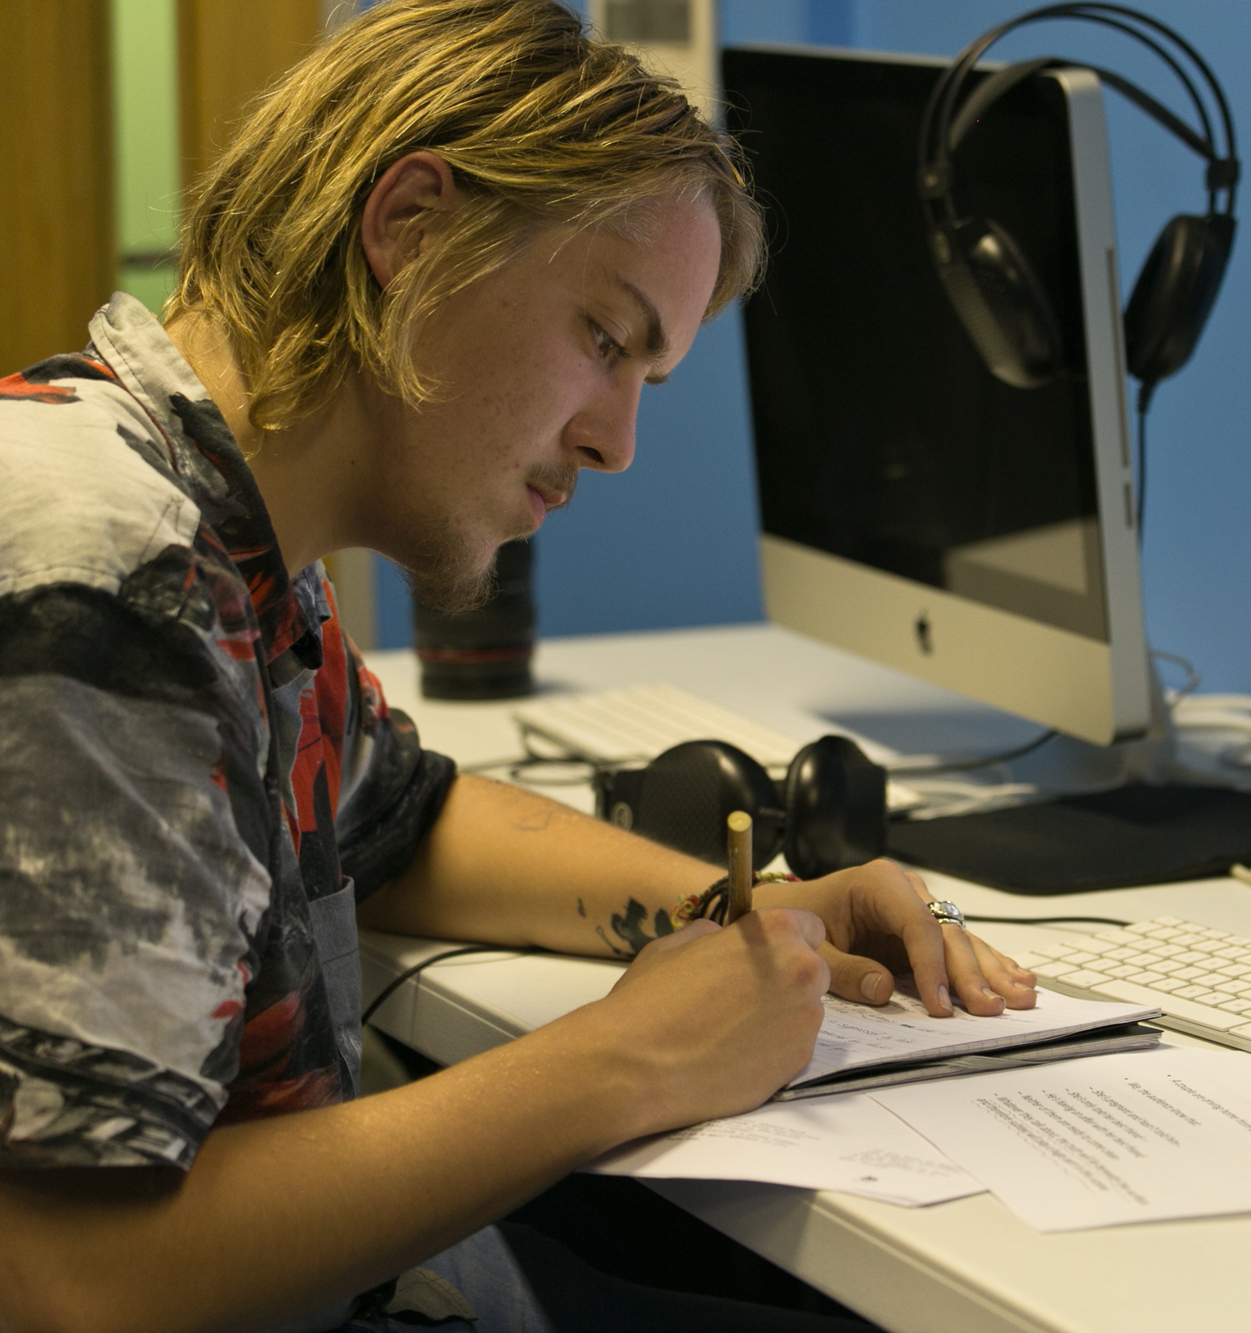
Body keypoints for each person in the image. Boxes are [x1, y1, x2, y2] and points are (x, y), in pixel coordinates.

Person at [0, 3, 1036, 1330]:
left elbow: (406, 821)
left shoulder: (221, 525)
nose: (617, 442)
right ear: (411, 229)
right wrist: (627, 1056)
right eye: (605, 339)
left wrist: (769, 909)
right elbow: (78, 1281)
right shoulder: (107, 568)